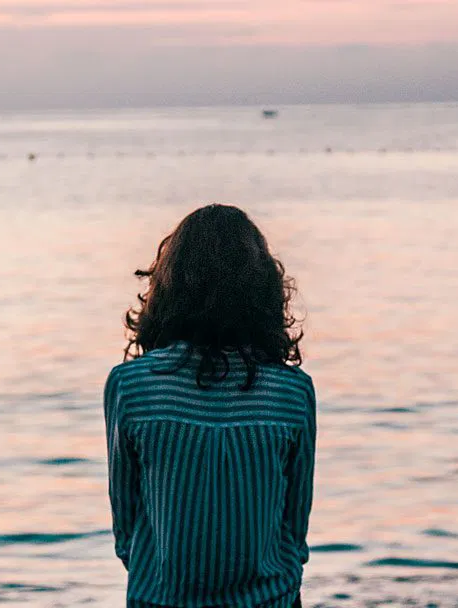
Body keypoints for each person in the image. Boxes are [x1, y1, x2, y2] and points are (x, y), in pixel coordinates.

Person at [104, 204, 316, 607]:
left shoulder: (130, 386)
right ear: (264, 291)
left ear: (168, 287)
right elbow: (294, 523)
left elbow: (126, 521)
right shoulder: (291, 391)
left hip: (161, 599)